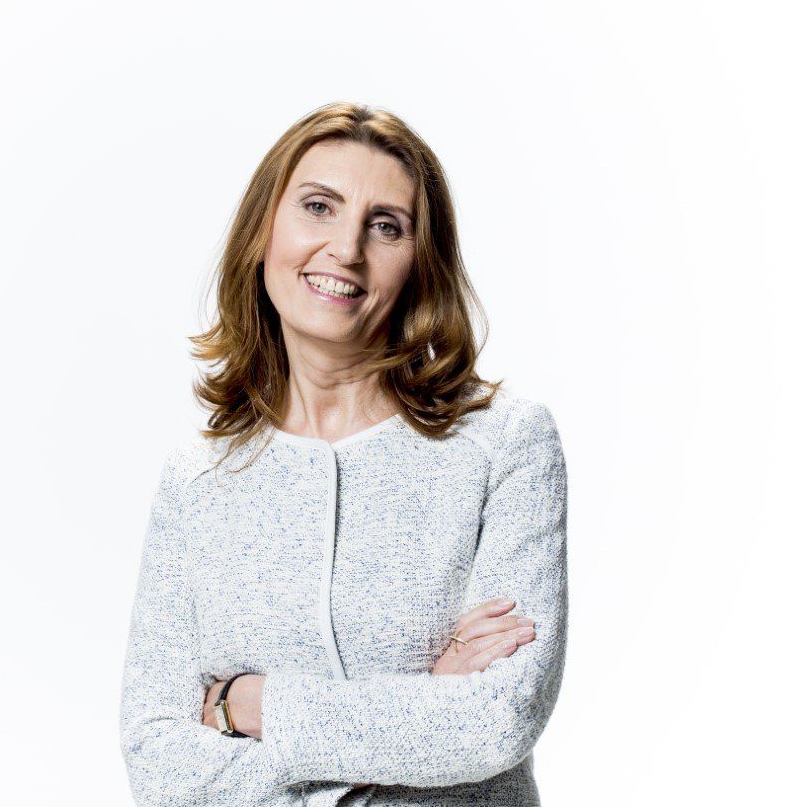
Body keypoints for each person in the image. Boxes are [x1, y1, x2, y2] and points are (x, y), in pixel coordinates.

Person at [119, 101, 568, 806]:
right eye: (318, 207)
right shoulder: (199, 476)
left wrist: (249, 705)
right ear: (263, 230)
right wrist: (421, 708)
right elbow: (159, 764)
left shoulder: (505, 445)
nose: (346, 249)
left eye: (386, 225)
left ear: (420, 263)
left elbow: (494, 721)